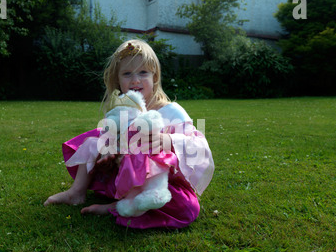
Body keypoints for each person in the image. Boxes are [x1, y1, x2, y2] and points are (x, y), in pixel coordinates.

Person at [44, 39, 214, 229]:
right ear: (118, 80)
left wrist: (168, 140)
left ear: (154, 76)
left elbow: (197, 147)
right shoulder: (123, 111)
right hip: (125, 176)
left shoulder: (171, 112)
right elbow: (109, 138)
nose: (135, 80)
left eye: (143, 72)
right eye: (127, 74)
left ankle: (118, 206)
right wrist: (109, 150)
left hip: (158, 181)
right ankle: (76, 191)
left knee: (187, 207)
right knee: (97, 136)